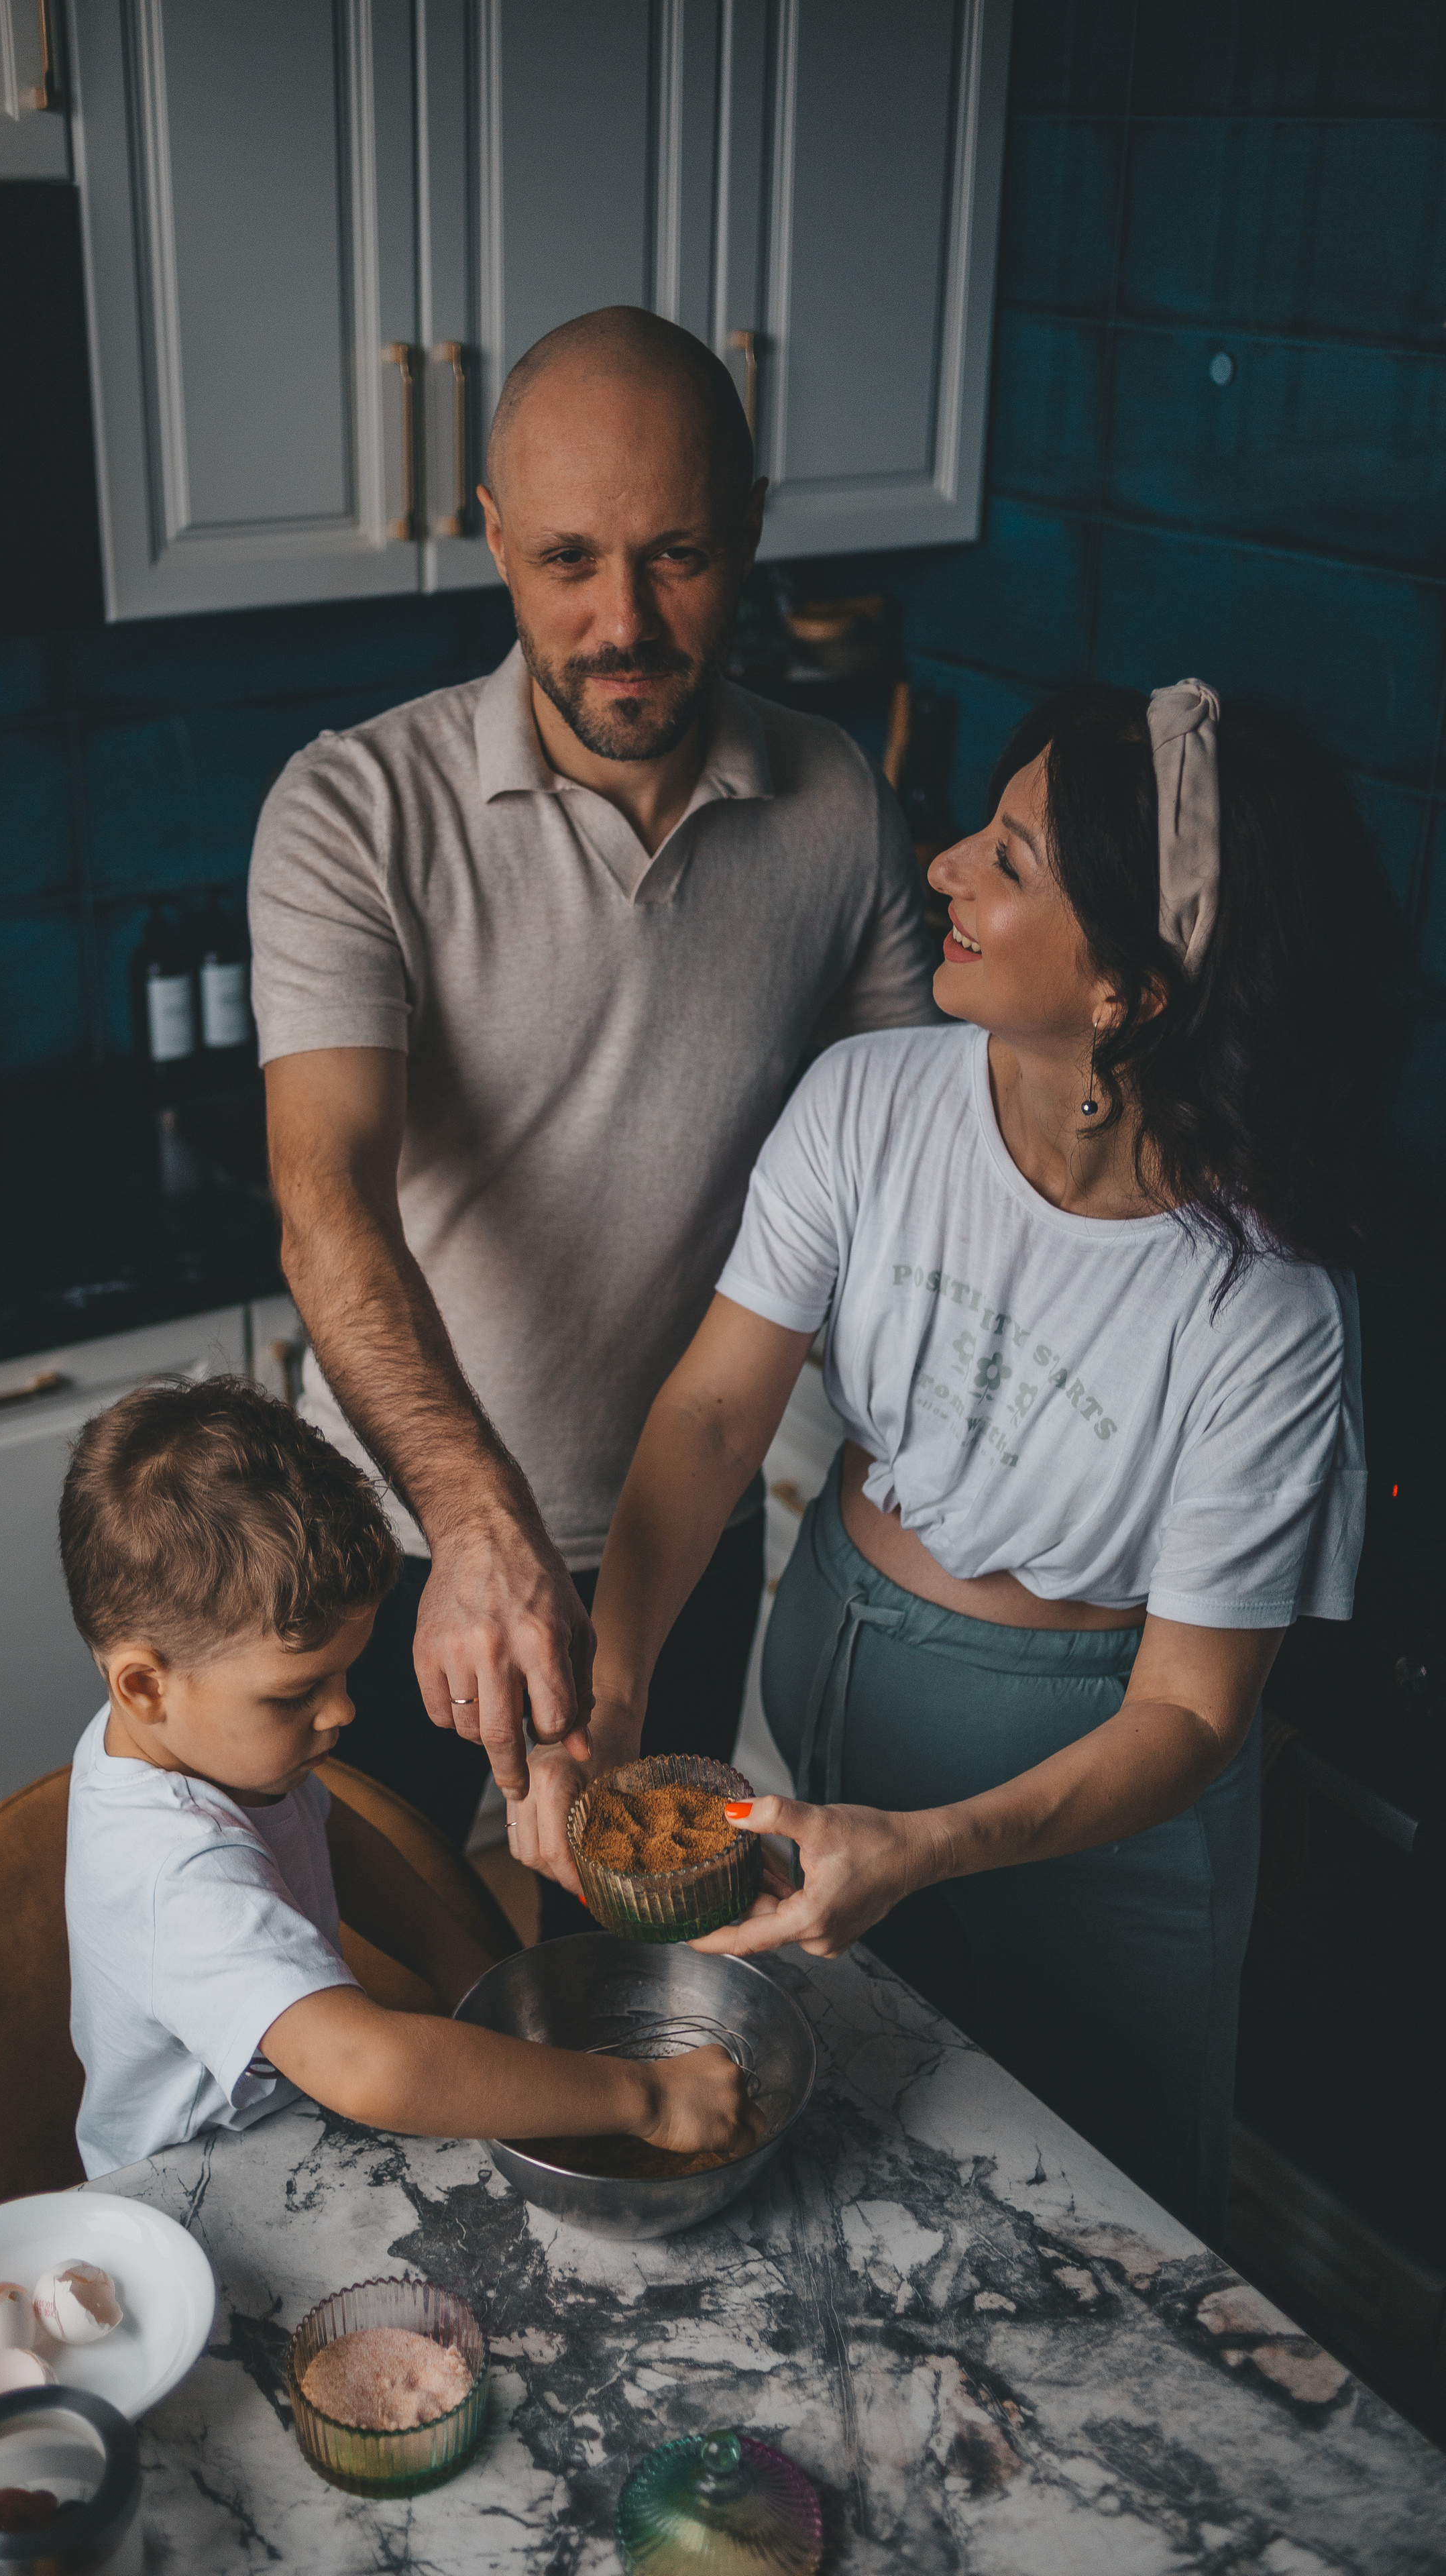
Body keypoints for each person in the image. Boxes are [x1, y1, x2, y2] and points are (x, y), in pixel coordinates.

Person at [520, 680, 1407, 2240]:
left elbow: (1195, 1706)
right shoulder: (866, 1102)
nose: (938, 868)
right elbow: (716, 1414)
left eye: (1002, 857)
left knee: (1106, 2228)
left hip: (1102, 1784)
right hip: (844, 1669)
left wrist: (932, 1842)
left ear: (1126, 985)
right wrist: (610, 1681)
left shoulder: (1261, 1296)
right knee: (869, 2154)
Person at [251, 305, 936, 1925]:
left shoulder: (837, 807)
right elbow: (324, 1195)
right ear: (489, 539)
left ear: (752, 525)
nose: (618, 621)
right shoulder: (354, 807)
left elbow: (913, 1170)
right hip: (386, 1557)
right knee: (376, 1988)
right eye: (565, 560)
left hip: (669, 1559)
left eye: (675, 555)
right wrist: (474, 1520)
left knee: (632, 1982)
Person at [57, 1375, 748, 2180]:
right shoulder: (177, 1874)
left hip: (287, 2136)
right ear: (144, 1686)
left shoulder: (200, 1745)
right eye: (297, 1692)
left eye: (344, 1675)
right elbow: (370, 2069)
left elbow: (335, 1846)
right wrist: (650, 2099)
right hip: (203, 2192)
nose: (342, 1712)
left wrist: (481, 1984)